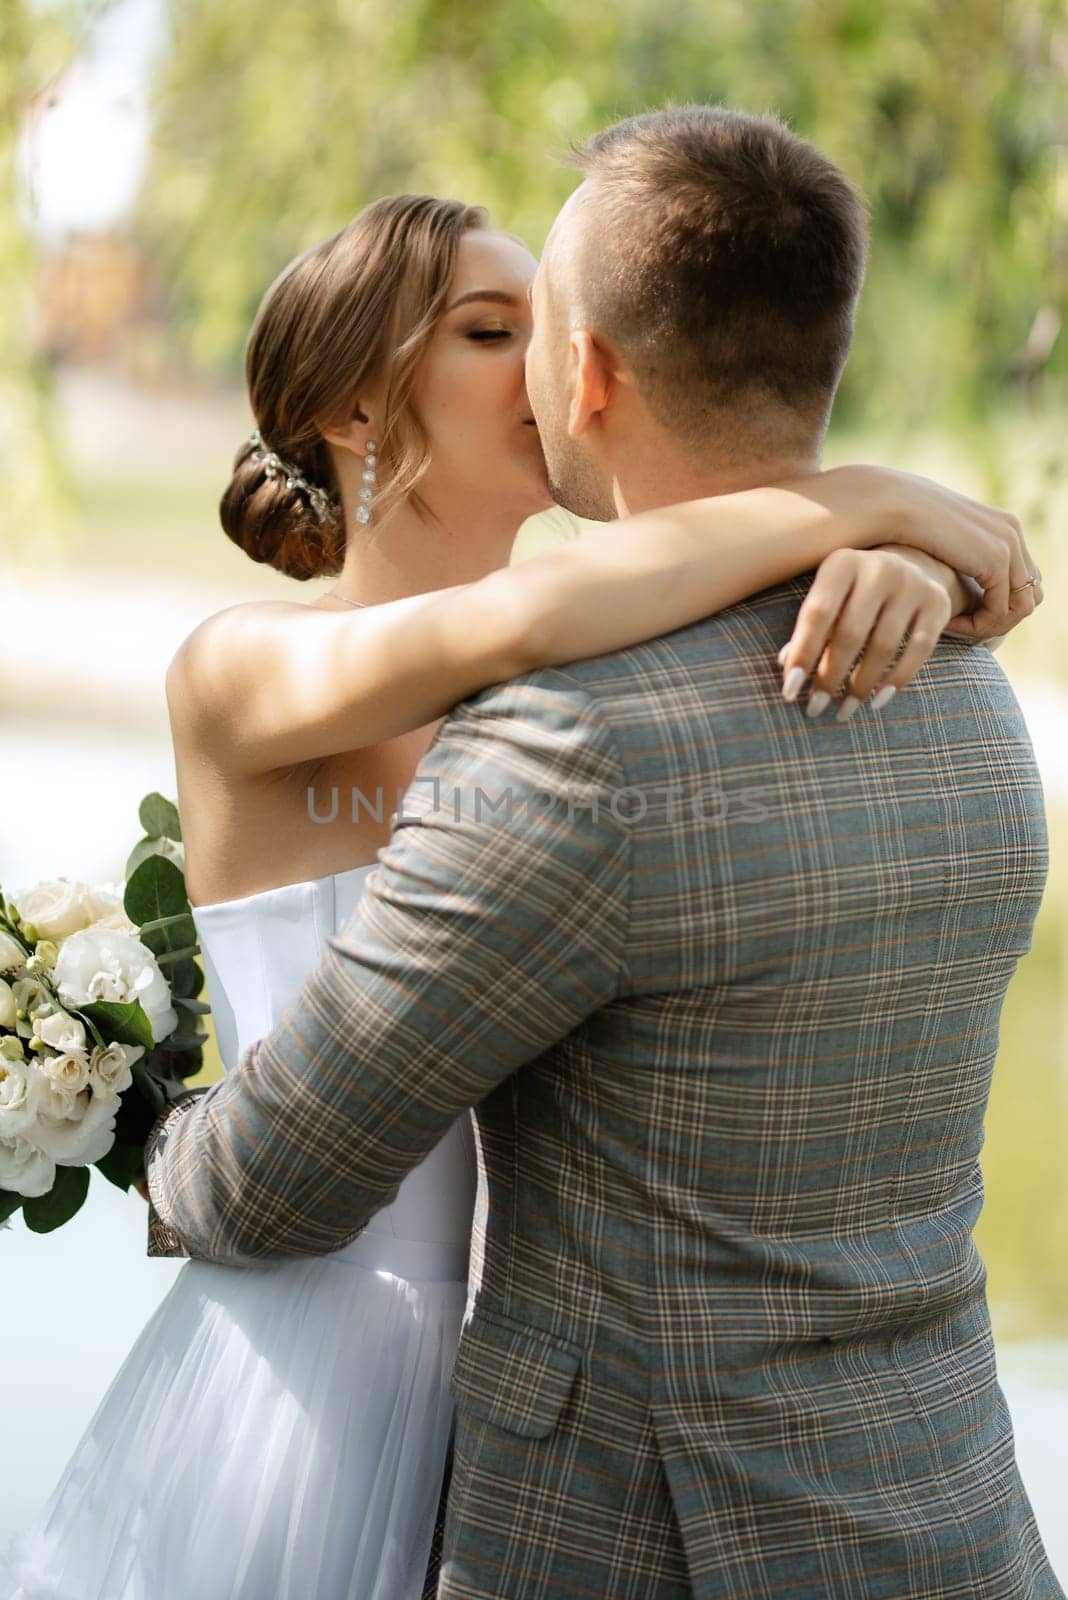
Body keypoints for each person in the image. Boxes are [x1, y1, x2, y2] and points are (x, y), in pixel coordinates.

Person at [141, 107, 1058, 1600]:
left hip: (621, 1500)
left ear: (590, 373)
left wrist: (876, 541)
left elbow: (571, 640)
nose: (528, 363)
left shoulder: (575, 736)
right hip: (903, 1493)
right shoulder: (964, 693)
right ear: (362, 412)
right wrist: (869, 507)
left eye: (532, 325)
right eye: (480, 329)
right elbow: (526, 627)